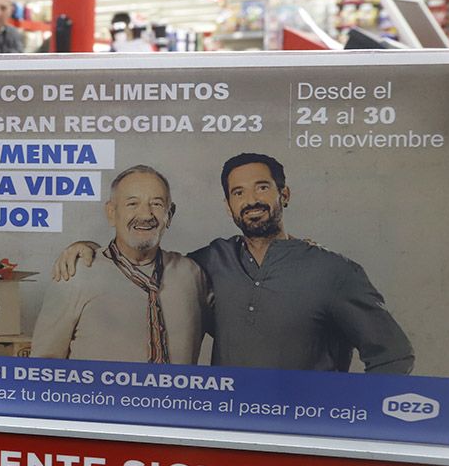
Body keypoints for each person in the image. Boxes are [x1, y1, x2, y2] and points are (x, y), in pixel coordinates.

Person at [53, 154, 414, 374]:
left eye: (262, 188)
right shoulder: (209, 263)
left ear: (283, 195)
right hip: (225, 427)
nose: (251, 200)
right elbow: (145, 264)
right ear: (228, 206)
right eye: (238, 193)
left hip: (303, 430)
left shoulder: (334, 272)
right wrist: (87, 247)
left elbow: (393, 355)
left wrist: (352, 420)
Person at [33, 166, 209, 364]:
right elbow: (43, 367)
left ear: (170, 214)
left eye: (157, 204)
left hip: (177, 396)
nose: (145, 215)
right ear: (111, 213)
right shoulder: (76, 274)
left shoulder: (192, 274)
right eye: (132, 204)